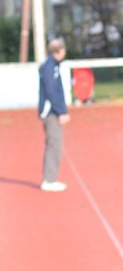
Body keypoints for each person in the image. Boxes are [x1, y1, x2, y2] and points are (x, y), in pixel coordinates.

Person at [38, 38, 70, 192]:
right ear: (59, 51)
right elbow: (52, 91)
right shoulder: (50, 66)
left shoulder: (52, 65)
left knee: (54, 144)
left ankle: (50, 178)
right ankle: (49, 180)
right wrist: (61, 111)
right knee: (54, 144)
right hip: (51, 112)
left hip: (52, 110)